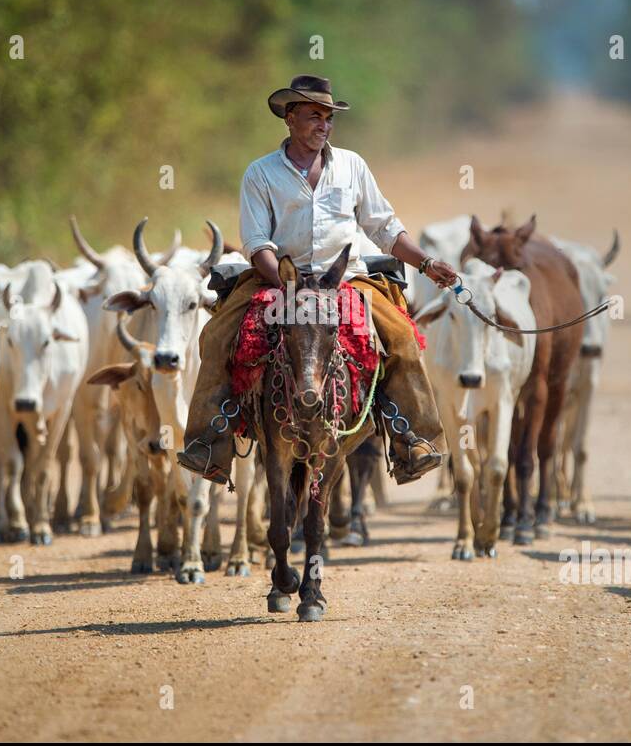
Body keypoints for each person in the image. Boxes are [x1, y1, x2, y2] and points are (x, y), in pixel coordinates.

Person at [176, 75, 456, 487]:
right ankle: (208, 444)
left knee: (402, 337)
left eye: (328, 118)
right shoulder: (261, 174)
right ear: (289, 119)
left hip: (348, 280)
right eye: (313, 116)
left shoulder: (352, 165)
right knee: (216, 335)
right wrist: (289, 284)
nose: (323, 125)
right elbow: (257, 243)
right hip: (277, 279)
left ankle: (414, 440)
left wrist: (426, 262)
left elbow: (385, 228)